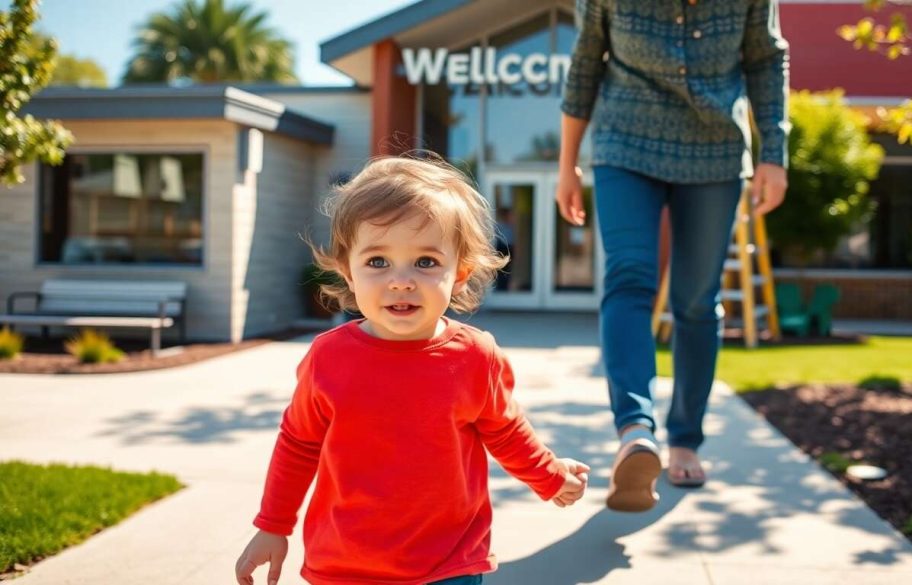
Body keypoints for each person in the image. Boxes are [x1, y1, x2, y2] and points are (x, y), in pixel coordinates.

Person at [235, 156, 590, 585]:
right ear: (348, 271)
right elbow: (298, 444)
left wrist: (549, 475)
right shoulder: (328, 358)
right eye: (377, 262)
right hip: (345, 564)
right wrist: (273, 525)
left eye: (425, 262)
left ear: (460, 273)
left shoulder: (475, 356)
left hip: (449, 561)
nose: (401, 280)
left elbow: (506, 429)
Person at [556, 0, 790, 512]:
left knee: (696, 299)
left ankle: (685, 437)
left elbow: (766, 59)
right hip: (624, 144)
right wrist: (567, 163)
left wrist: (774, 153)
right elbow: (585, 63)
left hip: (715, 152)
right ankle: (635, 430)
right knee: (629, 277)